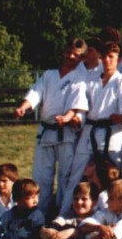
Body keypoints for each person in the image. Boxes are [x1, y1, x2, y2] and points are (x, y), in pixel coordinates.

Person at [14, 39, 88, 216]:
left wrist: (67, 117)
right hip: (46, 131)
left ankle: (63, 213)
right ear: (63, 52)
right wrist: (23, 107)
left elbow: (76, 104)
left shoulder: (80, 79)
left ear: (81, 58)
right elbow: (35, 93)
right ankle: (39, 213)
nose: (71, 57)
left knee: (65, 176)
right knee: (41, 175)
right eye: (69, 52)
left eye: (76, 55)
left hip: (66, 132)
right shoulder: (49, 75)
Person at [63, 41, 122, 215]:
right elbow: (81, 106)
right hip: (90, 131)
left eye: (111, 57)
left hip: (113, 133)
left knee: (116, 177)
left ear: (118, 60)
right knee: (76, 175)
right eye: (104, 57)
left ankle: (118, 213)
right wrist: (78, 118)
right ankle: (64, 213)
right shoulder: (90, 81)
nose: (107, 60)